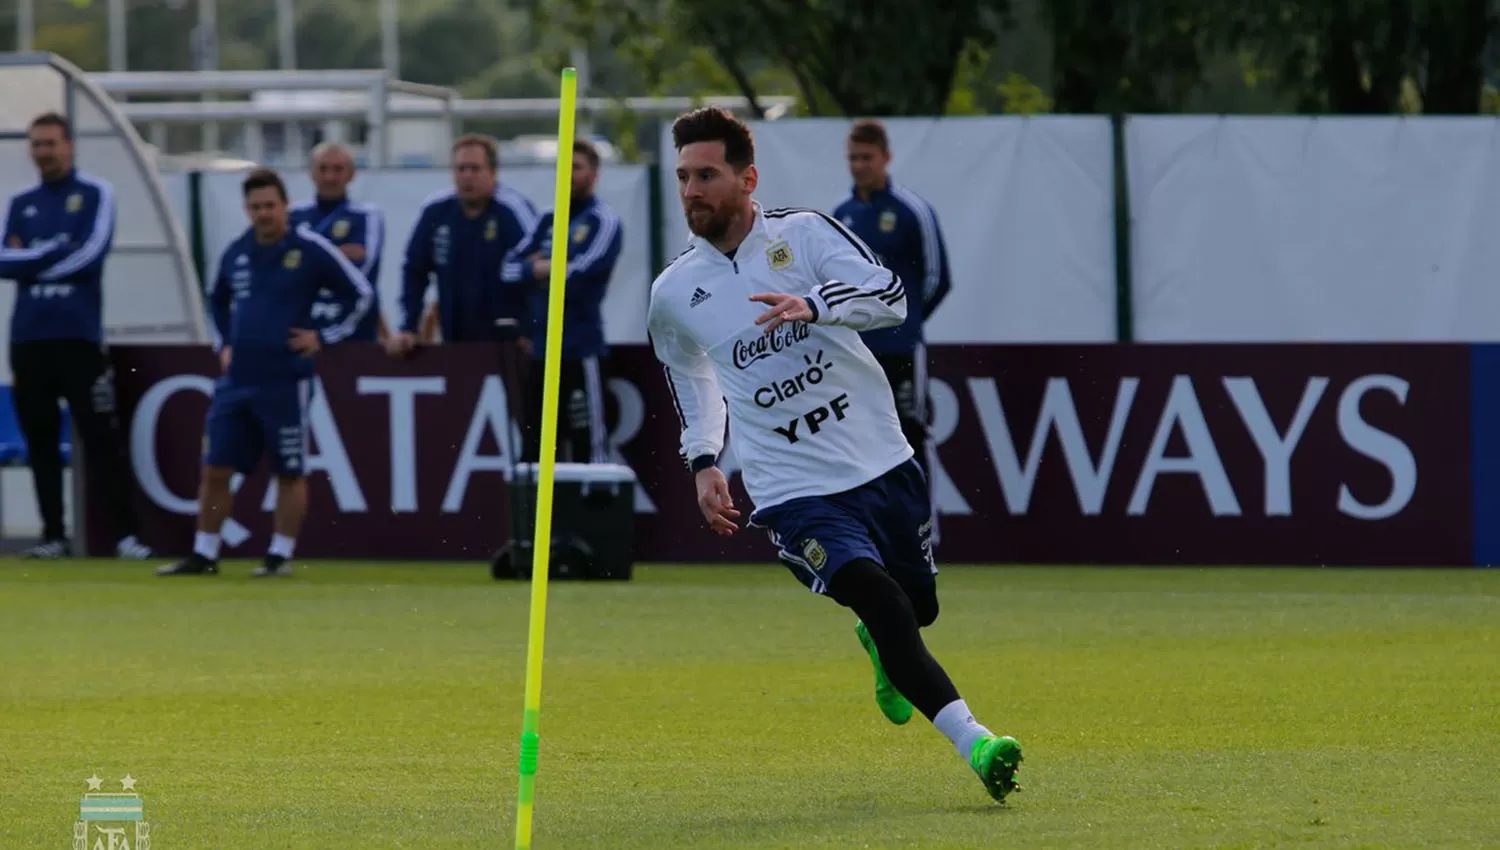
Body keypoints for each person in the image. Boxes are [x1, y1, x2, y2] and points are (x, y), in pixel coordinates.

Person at [646, 107, 1022, 802]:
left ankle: (883, 647)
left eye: (707, 175)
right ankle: (980, 744)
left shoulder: (806, 234)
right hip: (792, 488)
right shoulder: (674, 293)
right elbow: (690, 375)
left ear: (747, 178)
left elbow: (892, 298)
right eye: (682, 177)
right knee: (878, 599)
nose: (691, 190)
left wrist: (814, 305)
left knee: (918, 609)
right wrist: (703, 459)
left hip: (877, 457)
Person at [156, 168, 372, 578]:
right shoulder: (237, 251)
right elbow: (216, 299)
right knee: (216, 469)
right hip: (237, 380)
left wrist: (324, 335)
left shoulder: (310, 249)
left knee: (289, 470)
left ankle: (280, 555)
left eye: (270, 205)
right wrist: (225, 343)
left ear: (286, 206)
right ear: (246, 209)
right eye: (256, 207)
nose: (264, 214)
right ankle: (204, 554)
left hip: (286, 379)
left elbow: (360, 294)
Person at [0, 111, 151, 560]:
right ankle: (53, 536)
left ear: (70, 146)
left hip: (79, 339)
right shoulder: (20, 203)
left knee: (100, 439)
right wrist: (51, 252)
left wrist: (33, 258)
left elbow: (89, 256)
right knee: (40, 442)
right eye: (37, 144)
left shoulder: (94, 194)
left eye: (51, 143)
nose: (44, 152)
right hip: (28, 339)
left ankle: (125, 536)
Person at [833, 120, 953, 540]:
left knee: (911, 431)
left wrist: (905, 320)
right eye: (852, 158)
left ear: (886, 157)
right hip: (854, 352)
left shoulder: (911, 210)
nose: (859, 166)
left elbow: (937, 279)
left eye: (866, 157)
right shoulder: (841, 215)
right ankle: (870, 527)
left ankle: (925, 527)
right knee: (857, 436)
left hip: (901, 348)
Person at [504, 139, 623, 464]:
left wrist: (543, 267)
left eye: (576, 167)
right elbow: (508, 269)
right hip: (541, 353)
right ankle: (538, 516)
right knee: (534, 451)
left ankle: (594, 513)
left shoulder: (603, 221)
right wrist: (543, 267)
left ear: (594, 175)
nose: (567, 174)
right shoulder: (547, 219)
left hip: (580, 352)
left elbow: (579, 278)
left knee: (590, 449)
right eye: (563, 167)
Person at [388, 133, 538, 357]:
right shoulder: (436, 212)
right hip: (455, 340)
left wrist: (532, 328)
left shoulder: (513, 210)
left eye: (475, 169)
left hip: (510, 342)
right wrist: (409, 326)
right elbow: (414, 270)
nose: (467, 176)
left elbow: (538, 271)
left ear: (493, 171)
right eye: (461, 169)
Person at [289, 141, 387, 342]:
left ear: (352, 174)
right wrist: (339, 254)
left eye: (338, 169)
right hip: (302, 331)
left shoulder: (367, 216)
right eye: (323, 169)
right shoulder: (293, 215)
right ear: (311, 173)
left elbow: (361, 271)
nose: (330, 177)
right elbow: (284, 272)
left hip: (355, 331)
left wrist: (308, 262)